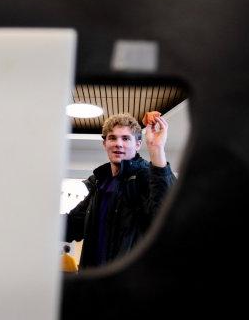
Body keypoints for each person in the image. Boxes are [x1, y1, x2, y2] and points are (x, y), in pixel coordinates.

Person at [65, 113, 175, 269]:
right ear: (105, 144)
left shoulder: (146, 176)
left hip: (129, 283)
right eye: (112, 138)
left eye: (125, 138)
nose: (118, 144)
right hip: (94, 282)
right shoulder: (99, 184)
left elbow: (167, 219)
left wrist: (157, 149)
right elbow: (70, 227)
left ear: (137, 144)